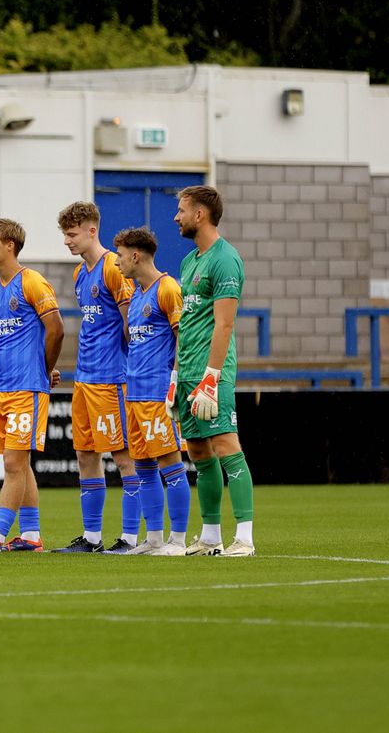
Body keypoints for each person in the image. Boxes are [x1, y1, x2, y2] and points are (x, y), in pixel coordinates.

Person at [172, 186, 256, 556]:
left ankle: (245, 538)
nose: (177, 217)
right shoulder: (190, 261)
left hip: (211, 374)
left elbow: (224, 325)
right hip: (188, 371)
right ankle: (209, 536)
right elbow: (188, 323)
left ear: (200, 215)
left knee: (226, 444)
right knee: (199, 453)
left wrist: (212, 377)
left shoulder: (226, 259)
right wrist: (176, 377)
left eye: (181, 210)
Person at [54, 201, 140, 555]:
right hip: (84, 380)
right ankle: (91, 539)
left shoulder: (113, 268)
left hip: (112, 378)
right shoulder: (80, 274)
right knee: (85, 455)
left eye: (71, 234)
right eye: (64, 235)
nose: (67, 242)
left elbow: (130, 324)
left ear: (92, 231)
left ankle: (131, 539)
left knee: (123, 458)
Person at [0, 219, 64, 553]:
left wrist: (45, 369)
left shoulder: (32, 281)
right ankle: (30, 535)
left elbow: (55, 328)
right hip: (2, 387)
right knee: (19, 464)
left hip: (27, 387)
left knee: (14, 464)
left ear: (9, 245)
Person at [113, 227, 191, 556]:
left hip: (158, 393)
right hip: (134, 393)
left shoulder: (167, 288)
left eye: (119, 255)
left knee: (171, 466)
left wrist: (175, 383)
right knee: (143, 468)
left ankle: (178, 539)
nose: (116, 262)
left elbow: (183, 339)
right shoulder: (137, 294)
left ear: (135, 256)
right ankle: (155, 538)